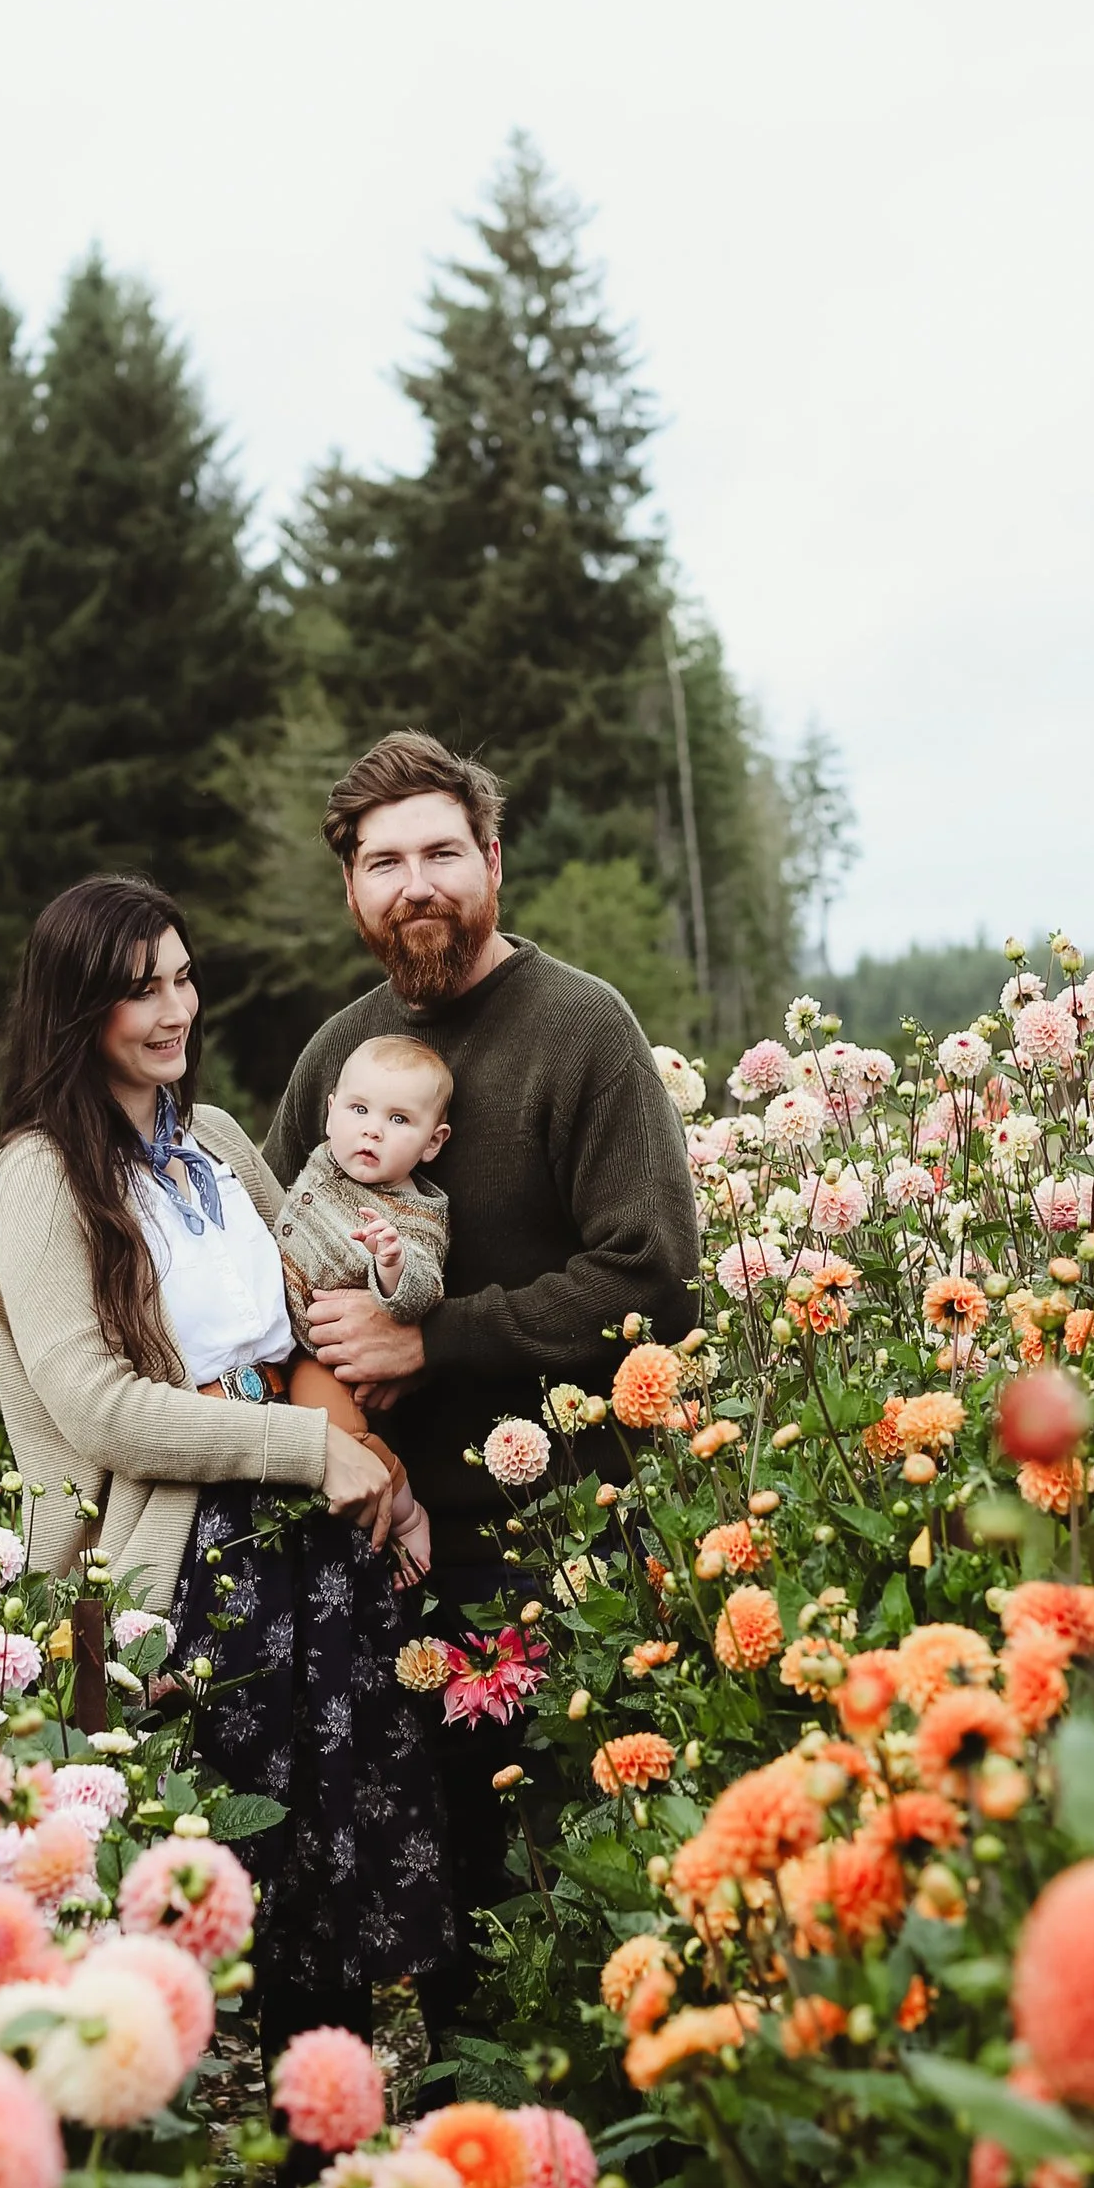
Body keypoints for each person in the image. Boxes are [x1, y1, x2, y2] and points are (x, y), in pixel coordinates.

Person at [0, 875, 451, 2059]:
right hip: (180, 1556)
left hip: (308, 1523)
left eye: (182, 976)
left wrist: (386, 1468)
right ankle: (170, 2175)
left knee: (332, 1851)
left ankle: (321, 2142)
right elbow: (95, 1409)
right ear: (77, 1008)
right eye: (141, 990)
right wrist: (308, 1446)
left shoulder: (217, 1140)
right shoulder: (45, 1175)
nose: (174, 1008)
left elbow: (304, 1320)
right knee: (210, 1872)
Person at [264, 731, 700, 1972]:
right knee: (417, 1901)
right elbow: (276, 1277)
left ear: (493, 860)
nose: (417, 884)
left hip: (558, 1549)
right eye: (384, 860)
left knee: (561, 1887)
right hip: (375, 1546)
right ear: (350, 888)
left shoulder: (579, 1032)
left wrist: (432, 1340)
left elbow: (654, 1276)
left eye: (443, 852)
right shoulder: (337, 1061)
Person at [271, 1032, 455, 1579]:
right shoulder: (324, 1160)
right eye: (358, 1110)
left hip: (319, 1356)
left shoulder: (417, 1215)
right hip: (267, 1339)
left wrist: (391, 1262)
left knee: (337, 1435)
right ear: (330, 1115)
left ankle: (405, 1515)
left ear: (432, 1142)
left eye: (400, 1120)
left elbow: (424, 1290)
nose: (372, 1128)